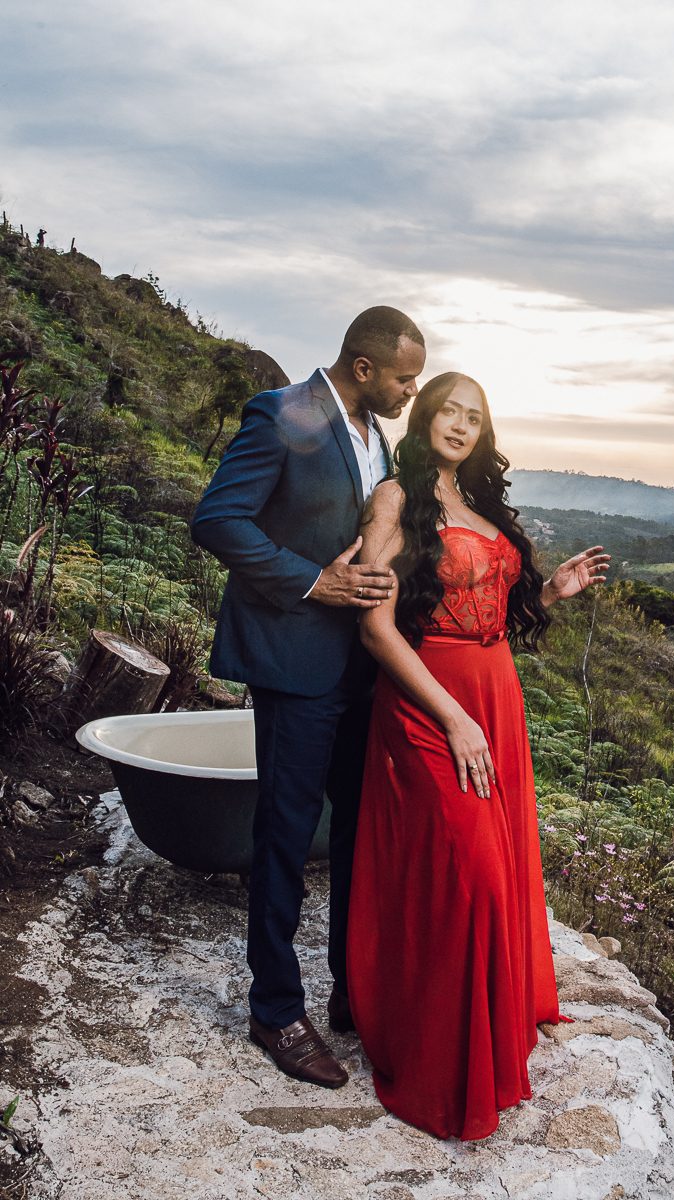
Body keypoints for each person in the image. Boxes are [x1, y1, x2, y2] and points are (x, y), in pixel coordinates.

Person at [347, 372, 609, 1139]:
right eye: (448, 412)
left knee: (498, 860)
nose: (460, 425)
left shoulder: (476, 503)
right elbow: (375, 627)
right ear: (425, 417)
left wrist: (548, 593)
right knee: (475, 877)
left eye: (473, 417)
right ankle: (443, 1063)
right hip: (433, 703)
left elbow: (488, 612)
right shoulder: (395, 499)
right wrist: (454, 719)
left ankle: (491, 1024)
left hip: (495, 696)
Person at [190, 307, 426, 1089]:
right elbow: (218, 520)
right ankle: (275, 1009)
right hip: (295, 664)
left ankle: (351, 991)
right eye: (403, 377)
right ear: (363, 368)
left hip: (362, 667)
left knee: (359, 837)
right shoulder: (281, 413)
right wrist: (311, 580)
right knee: (285, 839)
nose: (410, 390)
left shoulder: (377, 437)